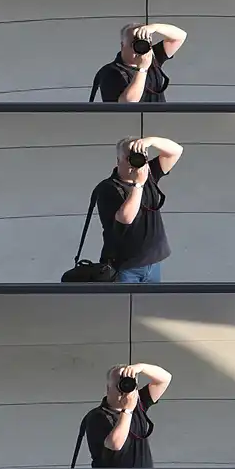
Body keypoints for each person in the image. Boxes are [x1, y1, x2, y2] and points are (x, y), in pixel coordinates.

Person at [96, 135, 183, 283]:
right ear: (118, 161)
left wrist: (151, 141)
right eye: (130, 158)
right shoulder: (108, 188)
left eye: (140, 157)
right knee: (123, 305)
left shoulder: (148, 172)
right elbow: (125, 218)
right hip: (125, 266)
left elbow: (176, 151)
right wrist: (138, 185)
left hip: (153, 262)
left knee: (151, 305)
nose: (135, 164)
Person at [93, 22, 187, 103]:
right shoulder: (110, 71)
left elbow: (180, 36)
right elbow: (127, 103)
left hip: (158, 120)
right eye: (135, 44)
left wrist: (155, 27)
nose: (140, 48)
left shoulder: (151, 57)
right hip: (131, 123)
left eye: (144, 43)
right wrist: (142, 69)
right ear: (123, 45)